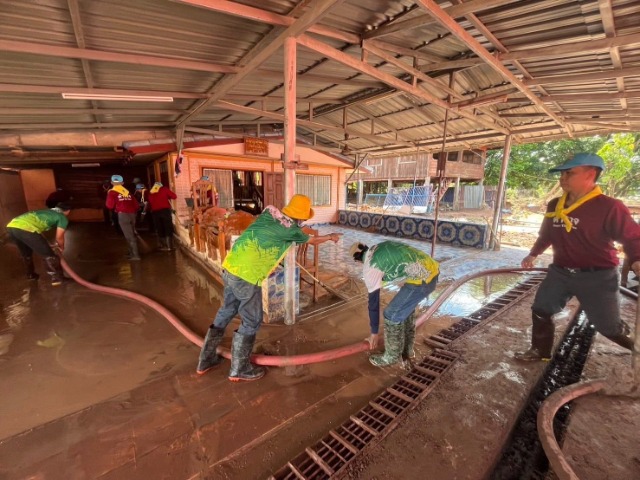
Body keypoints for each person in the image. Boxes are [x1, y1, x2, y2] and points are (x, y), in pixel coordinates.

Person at [197, 194, 341, 382]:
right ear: (303, 217)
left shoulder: (269, 213)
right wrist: (331, 237)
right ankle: (239, 368)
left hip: (230, 266)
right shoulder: (292, 231)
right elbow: (312, 240)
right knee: (252, 320)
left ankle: (205, 360)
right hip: (247, 276)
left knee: (227, 310)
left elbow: (279, 227)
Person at [516, 153, 640, 361]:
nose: (562, 178)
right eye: (561, 174)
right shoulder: (555, 205)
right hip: (560, 272)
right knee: (541, 308)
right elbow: (547, 234)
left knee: (608, 327)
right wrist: (533, 254)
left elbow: (632, 237)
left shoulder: (609, 207)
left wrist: (637, 259)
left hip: (597, 276)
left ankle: (637, 347)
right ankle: (540, 351)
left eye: (569, 173)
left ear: (590, 174)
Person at [350, 241, 439, 367]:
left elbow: (373, 304)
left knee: (391, 314)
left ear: (357, 261)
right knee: (404, 310)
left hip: (423, 280)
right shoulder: (378, 247)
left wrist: (374, 334)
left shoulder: (370, 268)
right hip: (432, 270)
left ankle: (392, 356)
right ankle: (407, 350)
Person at [6, 202, 72, 286]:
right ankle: (58, 279)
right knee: (50, 256)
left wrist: (46, 244)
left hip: (12, 226)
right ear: (68, 211)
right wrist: (61, 247)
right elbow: (59, 237)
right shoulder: (62, 217)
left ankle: (30, 275)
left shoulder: (46, 212)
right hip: (26, 229)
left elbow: (38, 233)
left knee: (26, 254)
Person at [105, 174, 141, 261]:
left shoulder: (112, 192)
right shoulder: (128, 192)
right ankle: (131, 253)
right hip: (132, 214)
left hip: (123, 215)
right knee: (130, 233)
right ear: (122, 183)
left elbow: (109, 206)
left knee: (129, 235)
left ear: (112, 183)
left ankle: (135, 255)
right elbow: (136, 205)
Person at [147, 181, 177, 251]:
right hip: (165, 211)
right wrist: (167, 197)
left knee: (159, 228)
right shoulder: (164, 189)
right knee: (168, 227)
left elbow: (150, 202)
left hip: (155, 213)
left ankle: (163, 246)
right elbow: (174, 196)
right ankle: (170, 247)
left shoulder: (151, 192)